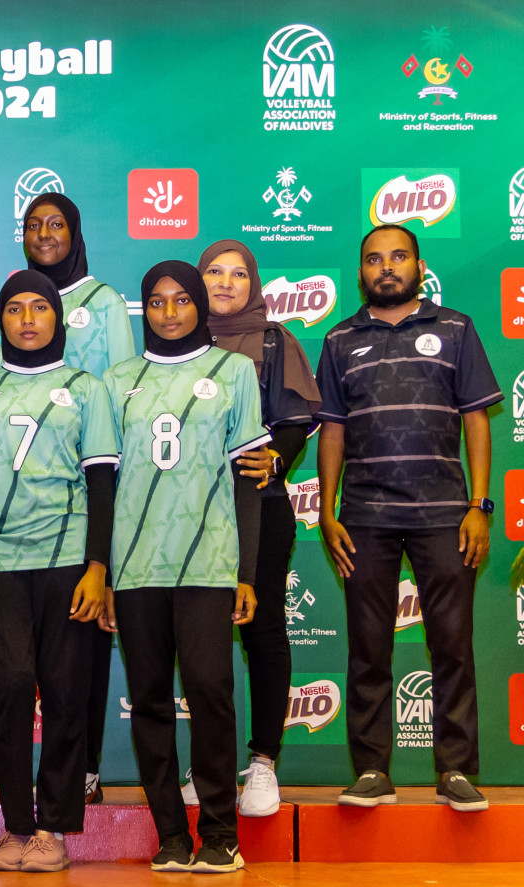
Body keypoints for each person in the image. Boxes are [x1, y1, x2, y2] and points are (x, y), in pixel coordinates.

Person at [316, 224, 499, 813]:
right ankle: (371, 771)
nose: (386, 268)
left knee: (452, 645)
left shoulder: (456, 328)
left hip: (446, 514)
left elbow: (476, 418)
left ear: (419, 265)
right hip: (365, 515)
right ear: (361, 270)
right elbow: (333, 430)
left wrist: (478, 506)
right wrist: (325, 507)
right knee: (368, 648)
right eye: (374, 259)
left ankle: (456, 772)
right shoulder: (340, 339)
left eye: (398, 257)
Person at [102, 261, 267, 874]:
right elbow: (104, 482)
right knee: (148, 701)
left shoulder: (234, 372)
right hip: (136, 566)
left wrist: (245, 570)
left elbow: (249, 480)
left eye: (181, 300)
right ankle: (171, 834)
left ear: (200, 304)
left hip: (208, 562)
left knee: (210, 692)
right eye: (157, 302)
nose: (170, 313)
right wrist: (105, 569)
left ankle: (221, 833)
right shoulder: (117, 380)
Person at [0, 270, 118, 871]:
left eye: (40, 308)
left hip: (67, 560)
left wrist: (98, 566)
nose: (27, 319)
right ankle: (17, 826)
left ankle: (54, 827)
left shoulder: (86, 387)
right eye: (15, 308)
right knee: (8, 687)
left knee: (66, 690)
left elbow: (102, 480)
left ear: (57, 318)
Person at [193, 240, 321, 818]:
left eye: (237, 274)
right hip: (186, 516)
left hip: (259, 509)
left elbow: (296, 422)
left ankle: (263, 763)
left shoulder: (274, 339)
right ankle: (212, 768)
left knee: (263, 631)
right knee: (200, 641)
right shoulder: (175, 344)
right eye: (214, 272)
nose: (224, 283)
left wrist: (275, 460)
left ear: (254, 282)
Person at [23, 193, 136, 805]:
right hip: (26, 500)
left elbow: (119, 394)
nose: (44, 234)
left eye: (56, 224)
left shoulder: (104, 302)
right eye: (34, 225)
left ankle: (86, 768)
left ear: (76, 232)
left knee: (85, 643)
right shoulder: (22, 301)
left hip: (90, 487)